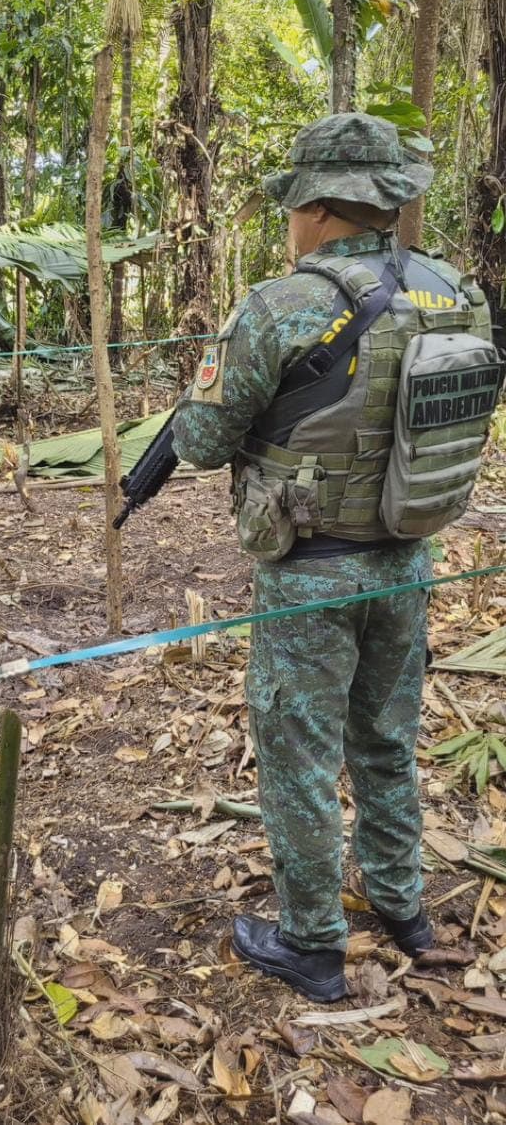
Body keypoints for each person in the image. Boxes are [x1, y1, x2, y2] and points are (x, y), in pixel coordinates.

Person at [171, 113, 496, 1003]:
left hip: (310, 569)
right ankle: (402, 905)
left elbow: (201, 439)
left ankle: (312, 942)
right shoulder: (454, 291)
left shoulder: (282, 305)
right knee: (387, 739)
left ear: (316, 206)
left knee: (300, 748)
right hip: (409, 558)